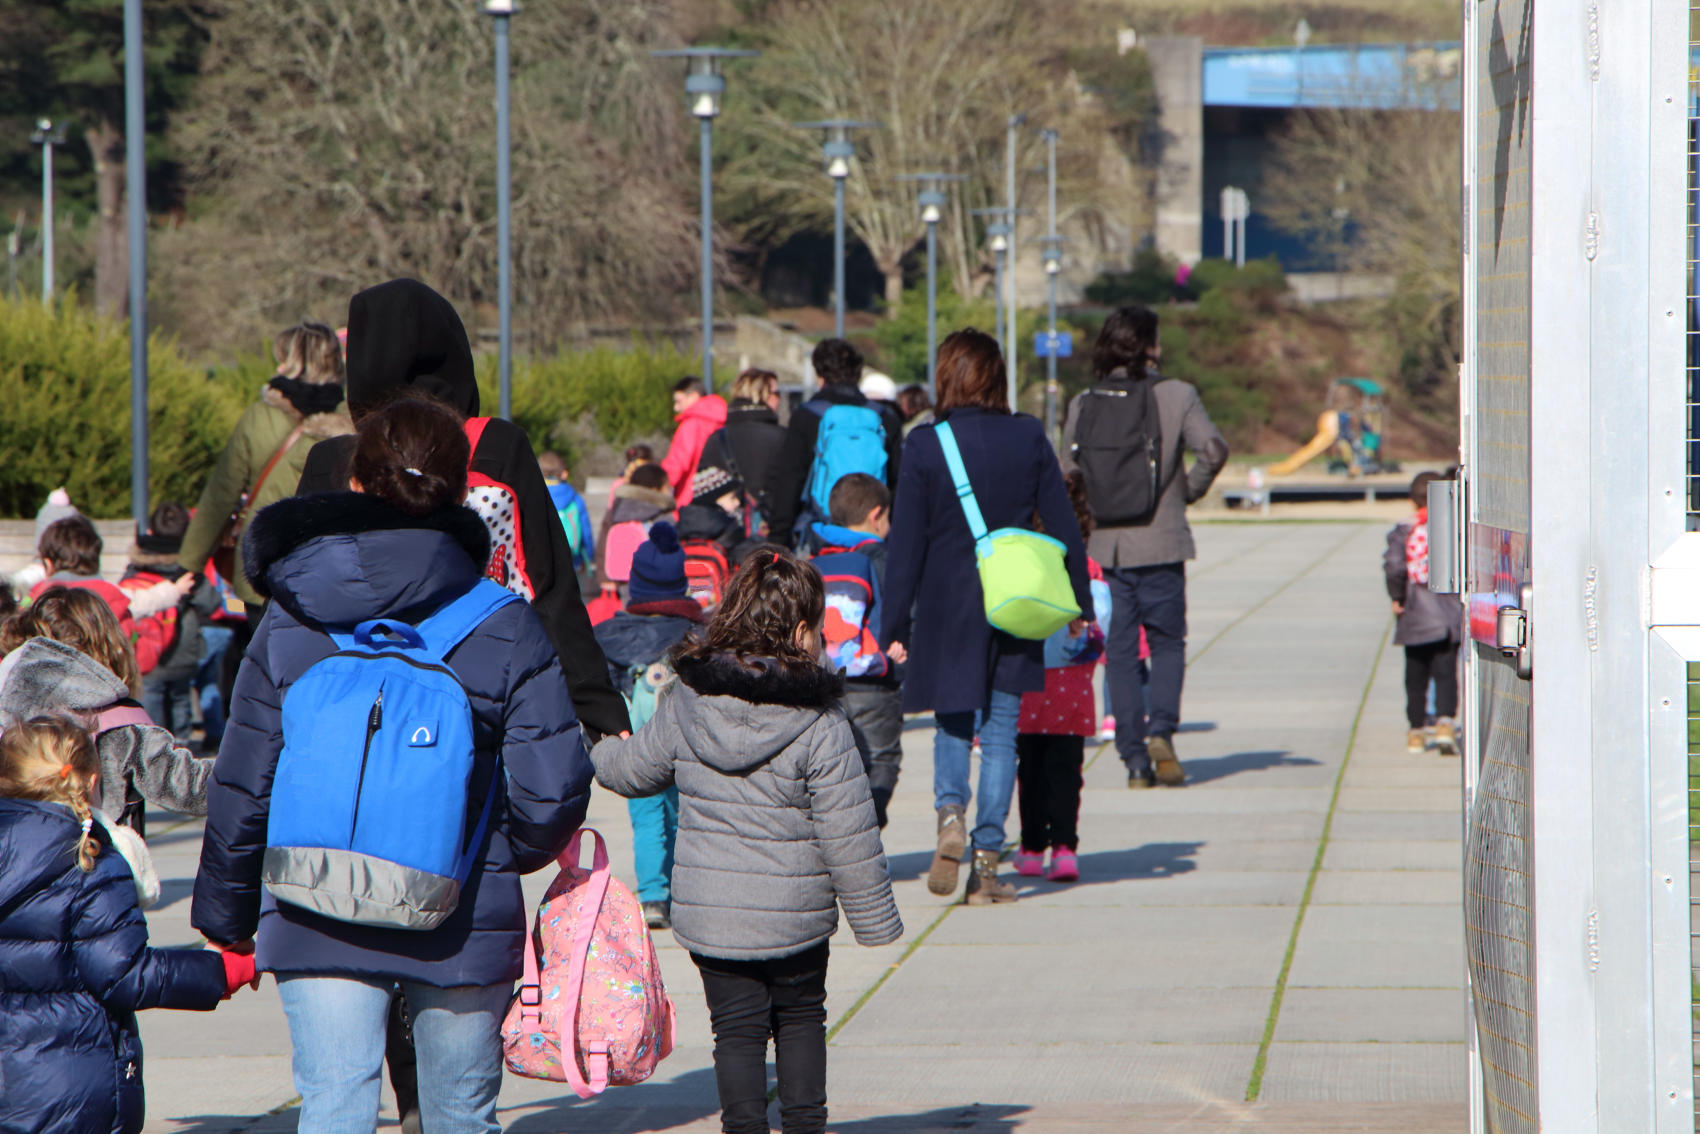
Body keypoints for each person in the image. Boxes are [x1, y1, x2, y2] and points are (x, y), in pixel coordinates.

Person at [192, 395, 593, 1134]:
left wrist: (227, 914)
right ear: (461, 490)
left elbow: (243, 781)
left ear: (355, 481)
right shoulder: (503, 622)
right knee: (460, 1116)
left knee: (335, 1108)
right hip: (461, 915)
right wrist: (494, 852)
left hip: (314, 905)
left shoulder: (291, 615)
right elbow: (554, 788)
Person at [591, 549, 901, 1134]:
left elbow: (631, 772)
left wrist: (598, 744)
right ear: (802, 631)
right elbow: (849, 832)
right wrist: (874, 919)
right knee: (802, 1021)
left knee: (734, 1032)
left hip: (714, 918)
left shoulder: (686, 701)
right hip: (796, 916)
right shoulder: (822, 722)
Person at [293, 278, 629, 744]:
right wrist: (599, 709)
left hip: (357, 714)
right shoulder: (496, 446)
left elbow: (297, 601)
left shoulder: (331, 461)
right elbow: (549, 589)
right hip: (486, 702)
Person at [881, 329, 1093, 906]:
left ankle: (950, 814)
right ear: (997, 377)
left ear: (946, 376)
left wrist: (893, 623)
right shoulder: (1027, 434)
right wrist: (1078, 602)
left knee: (953, 724)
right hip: (1013, 602)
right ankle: (986, 867)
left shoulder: (926, 444)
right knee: (1001, 734)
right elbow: (1064, 525)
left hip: (947, 605)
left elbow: (905, 545)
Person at [0, 716, 248, 1134]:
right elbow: (124, 972)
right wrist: (217, 970)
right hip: (71, 1083)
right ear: (92, 780)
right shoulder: (89, 858)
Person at [1062, 304, 1229, 789]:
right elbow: (1214, 449)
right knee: (1167, 642)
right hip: (1162, 541)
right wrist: (1187, 491)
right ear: (1151, 346)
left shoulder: (1084, 402)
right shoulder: (1177, 394)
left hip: (1106, 549)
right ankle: (1162, 732)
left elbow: (1066, 471)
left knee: (1119, 652)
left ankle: (1134, 760)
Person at [178, 322, 353, 619]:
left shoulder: (260, 416)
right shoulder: (352, 420)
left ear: (293, 363)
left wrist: (188, 564)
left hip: (262, 566)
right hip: (328, 570)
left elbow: (221, 494)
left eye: (282, 358)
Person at [0, 587, 213, 832]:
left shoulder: (7, 705)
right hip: (95, 852)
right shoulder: (121, 724)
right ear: (110, 646)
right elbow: (191, 789)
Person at [593, 521, 707, 930]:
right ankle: (677, 891)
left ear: (636, 584)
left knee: (645, 818)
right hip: (683, 742)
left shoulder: (612, 635)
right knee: (678, 815)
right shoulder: (695, 635)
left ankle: (653, 897)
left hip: (635, 744)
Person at [1014, 471, 1108, 883]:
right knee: (1067, 771)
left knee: (1030, 770)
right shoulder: (1089, 570)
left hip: (1029, 683)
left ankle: (1032, 848)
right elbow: (1101, 630)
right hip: (1072, 689)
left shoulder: (1027, 568)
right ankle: (1065, 849)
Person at [809, 473, 901, 827]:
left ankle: (839, 827)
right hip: (874, 680)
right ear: (876, 515)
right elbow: (900, 612)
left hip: (822, 679)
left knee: (831, 765)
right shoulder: (882, 558)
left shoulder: (814, 557)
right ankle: (864, 826)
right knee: (881, 758)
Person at [766, 338, 903, 549]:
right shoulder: (884, 418)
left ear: (820, 375)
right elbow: (898, 482)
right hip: (871, 535)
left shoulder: (807, 416)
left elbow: (790, 480)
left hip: (822, 534)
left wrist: (778, 540)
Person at [31, 516, 185, 676]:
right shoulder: (112, 596)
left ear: (48, 564)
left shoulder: (37, 601)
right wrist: (175, 589)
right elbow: (146, 600)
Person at [122, 503, 220, 741]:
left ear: (151, 530)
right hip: (183, 649)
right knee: (180, 702)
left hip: (146, 647)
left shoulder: (138, 563)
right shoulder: (190, 568)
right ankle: (182, 751)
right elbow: (211, 603)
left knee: (151, 706)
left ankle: (155, 752)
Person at [1385, 470, 1458, 754]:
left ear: (1411, 500)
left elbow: (1395, 566)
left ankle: (1416, 731)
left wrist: (1397, 597)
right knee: (1445, 674)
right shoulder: (1452, 526)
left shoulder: (1404, 530)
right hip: (1448, 612)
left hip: (1416, 611)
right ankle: (1445, 724)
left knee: (1415, 677)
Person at [701, 368, 788, 529]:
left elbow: (703, 492)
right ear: (764, 395)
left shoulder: (715, 439)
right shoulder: (782, 438)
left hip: (724, 531)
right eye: (777, 393)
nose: (779, 399)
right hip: (769, 532)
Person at [599, 463, 679, 586]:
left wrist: (604, 578)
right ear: (655, 490)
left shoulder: (617, 510)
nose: (669, 493)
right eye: (667, 488)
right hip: (658, 587)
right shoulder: (663, 517)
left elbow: (603, 542)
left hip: (624, 584)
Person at [661, 376, 730, 509]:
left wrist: (657, 482)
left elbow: (679, 463)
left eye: (679, 401)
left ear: (693, 396)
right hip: (723, 494)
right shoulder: (724, 421)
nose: (676, 408)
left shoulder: (691, 425)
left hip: (691, 496)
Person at [538, 451, 596, 577]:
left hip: (540, 560)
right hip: (572, 559)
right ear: (562, 472)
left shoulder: (535, 496)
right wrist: (588, 556)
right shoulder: (575, 498)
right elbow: (586, 531)